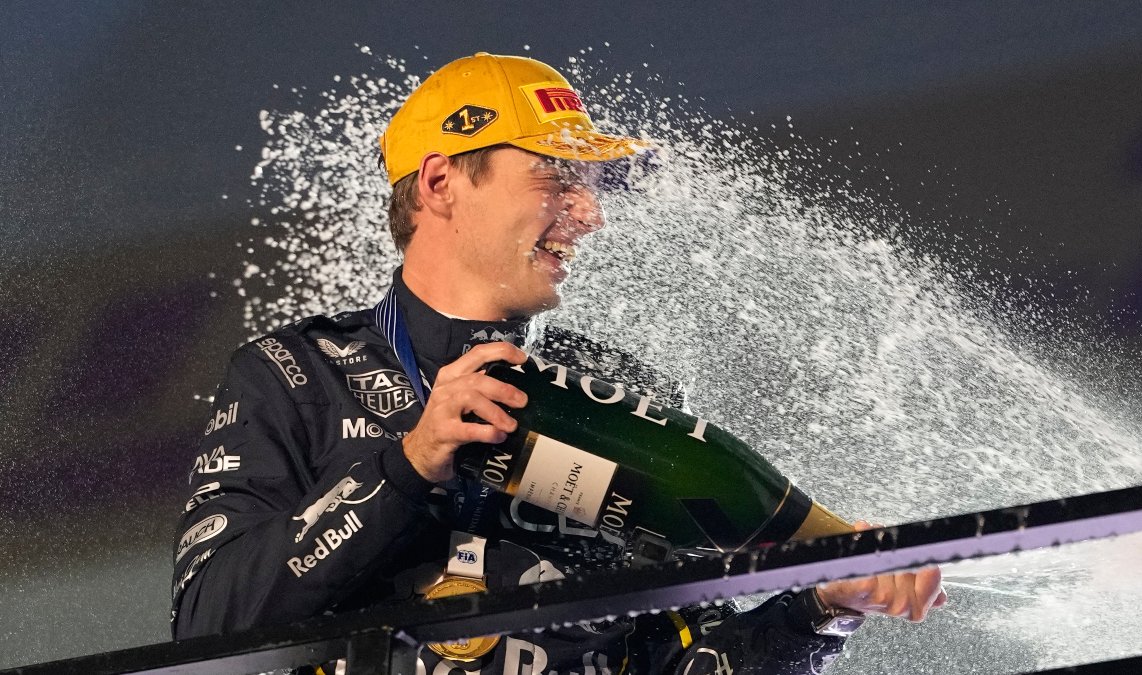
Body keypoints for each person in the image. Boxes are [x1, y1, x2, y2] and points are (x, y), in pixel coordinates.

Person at [172, 52, 946, 674]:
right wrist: (407, 465)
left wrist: (821, 609)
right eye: (557, 177)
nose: (590, 213)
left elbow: (692, 661)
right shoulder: (292, 373)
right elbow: (209, 627)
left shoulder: (622, 396)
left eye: (593, 185)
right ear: (441, 182)